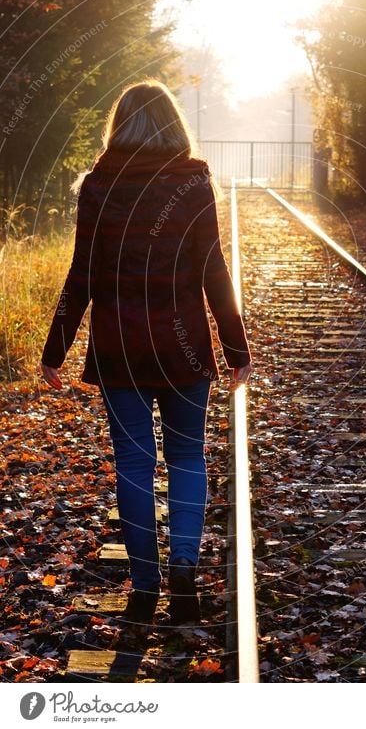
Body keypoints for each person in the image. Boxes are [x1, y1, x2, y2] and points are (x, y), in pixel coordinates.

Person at [40, 79, 253, 627]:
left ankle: (144, 582)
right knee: (187, 457)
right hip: (183, 352)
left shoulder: (99, 186)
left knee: (134, 465)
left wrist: (55, 350)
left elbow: (81, 274)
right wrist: (236, 349)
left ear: (119, 127)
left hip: (122, 353)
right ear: (174, 126)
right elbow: (213, 270)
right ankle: (183, 565)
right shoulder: (195, 182)